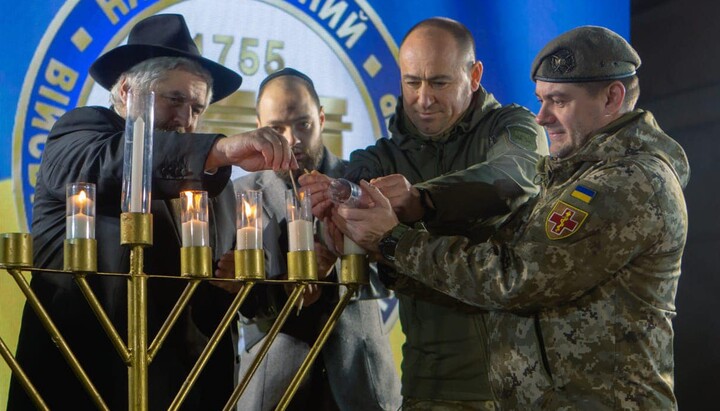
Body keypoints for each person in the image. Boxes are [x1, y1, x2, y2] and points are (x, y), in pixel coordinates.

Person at [337, 26, 689, 409]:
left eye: (559, 101)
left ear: (612, 98)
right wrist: (386, 251)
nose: (542, 117)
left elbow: (511, 279)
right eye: (541, 99)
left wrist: (393, 240)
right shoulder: (574, 176)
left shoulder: (626, 183)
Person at [8, 14, 296, 411]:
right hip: (86, 381)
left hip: (186, 391)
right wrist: (219, 150)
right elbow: (118, 162)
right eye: (174, 99)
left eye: (197, 107)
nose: (186, 119)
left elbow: (229, 305)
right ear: (126, 91)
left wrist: (238, 282)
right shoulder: (80, 135)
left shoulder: (215, 188)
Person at [301, 17, 548, 410]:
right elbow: (350, 192)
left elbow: (513, 177)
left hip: (520, 386)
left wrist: (420, 199)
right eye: (412, 82)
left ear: (475, 74)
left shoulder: (511, 127)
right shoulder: (381, 157)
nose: (423, 98)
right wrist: (335, 205)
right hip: (428, 386)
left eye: (439, 82)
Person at [225, 68, 401, 410]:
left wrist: (342, 267)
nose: (292, 140)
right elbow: (237, 305)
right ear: (258, 125)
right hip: (271, 383)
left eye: (303, 124)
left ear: (322, 118)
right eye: (276, 128)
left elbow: (396, 277)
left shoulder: (363, 185)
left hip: (359, 379)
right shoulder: (238, 195)